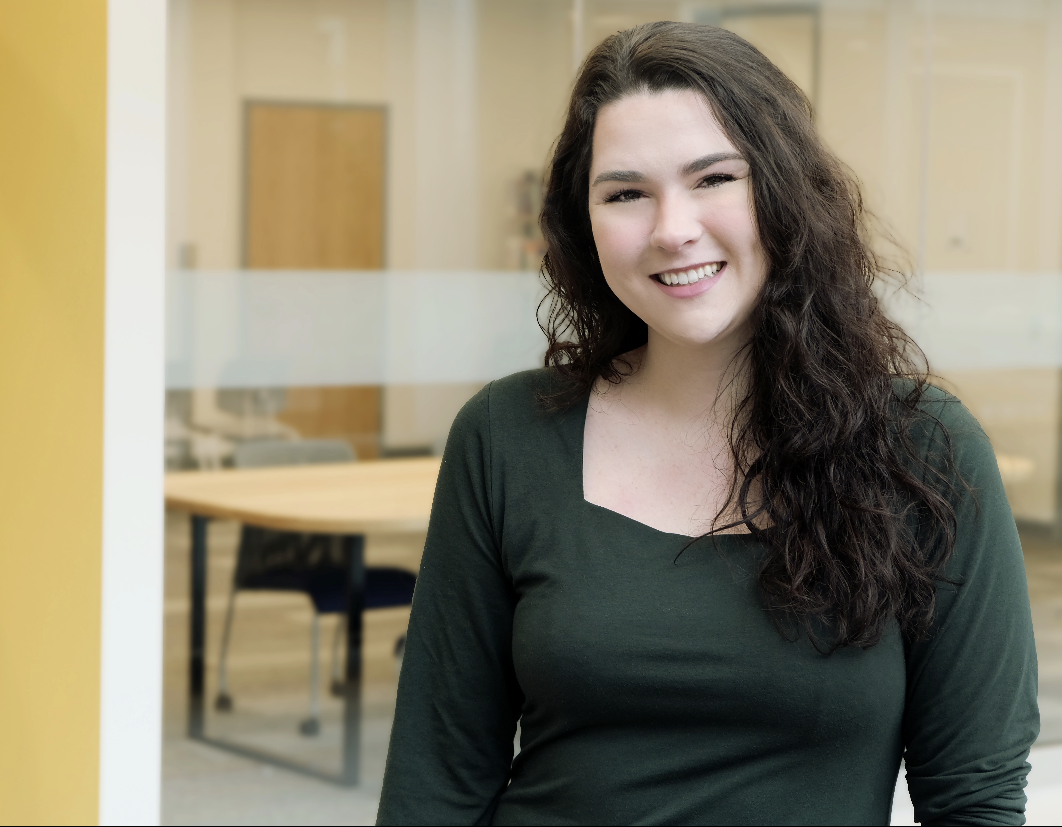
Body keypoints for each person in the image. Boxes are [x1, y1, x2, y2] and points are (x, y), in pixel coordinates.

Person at [377, 21, 1038, 826]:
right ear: (583, 224)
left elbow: (975, 798)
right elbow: (434, 785)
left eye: (714, 178)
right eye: (625, 193)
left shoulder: (923, 449)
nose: (671, 228)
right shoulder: (505, 435)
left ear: (786, 190)